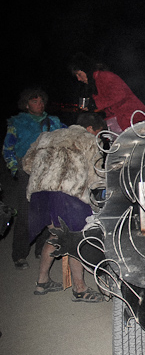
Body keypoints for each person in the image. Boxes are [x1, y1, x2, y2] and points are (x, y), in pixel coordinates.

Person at [22, 112, 108, 302]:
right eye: (98, 132)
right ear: (90, 129)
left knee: (55, 236)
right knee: (75, 240)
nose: (98, 136)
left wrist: (46, 174)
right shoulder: (88, 140)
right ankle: (79, 288)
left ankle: (42, 282)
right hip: (68, 196)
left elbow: (27, 164)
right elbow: (97, 175)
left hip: (41, 195)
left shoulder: (47, 136)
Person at [3, 88, 65, 269]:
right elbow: (8, 149)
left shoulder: (54, 121)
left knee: (48, 212)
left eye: (41, 101)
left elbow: (69, 136)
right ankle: (19, 254)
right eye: (35, 101)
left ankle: (41, 249)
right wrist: (15, 168)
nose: (40, 104)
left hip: (49, 171)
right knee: (25, 214)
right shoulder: (17, 122)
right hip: (27, 171)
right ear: (26, 104)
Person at [68, 53, 145, 133]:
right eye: (76, 76)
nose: (78, 79)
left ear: (86, 70)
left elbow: (119, 95)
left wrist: (95, 104)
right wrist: (91, 106)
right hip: (116, 121)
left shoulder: (105, 76)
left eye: (79, 74)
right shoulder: (94, 84)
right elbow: (104, 104)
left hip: (132, 118)